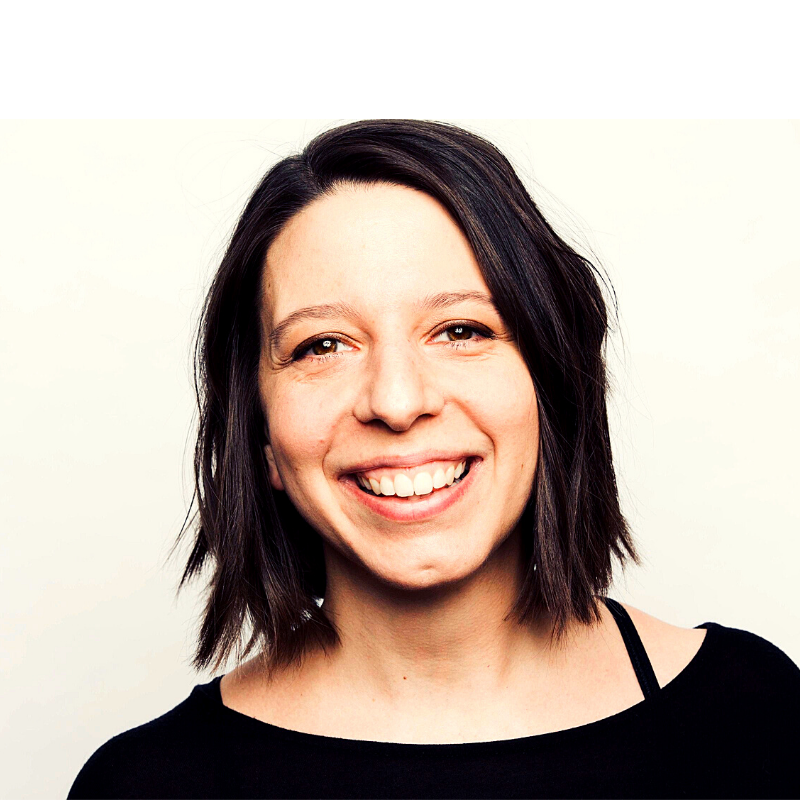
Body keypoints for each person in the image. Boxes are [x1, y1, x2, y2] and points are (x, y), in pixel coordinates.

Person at [68, 120, 800, 799]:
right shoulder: (146, 786)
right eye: (321, 345)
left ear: (551, 385)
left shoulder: (756, 715)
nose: (395, 399)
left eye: (459, 329)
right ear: (260, 436)